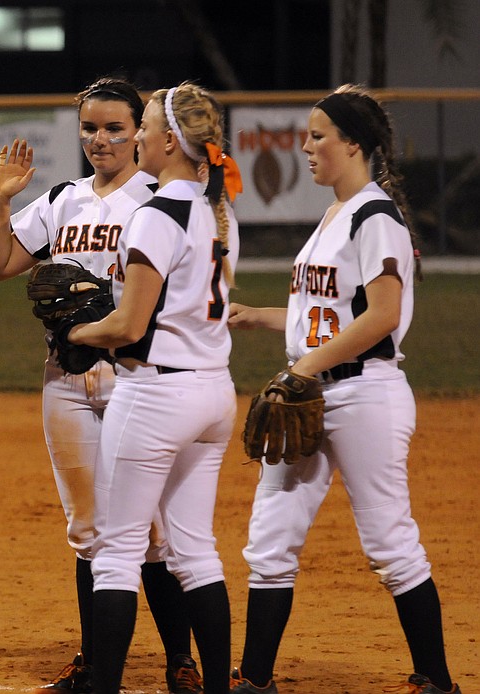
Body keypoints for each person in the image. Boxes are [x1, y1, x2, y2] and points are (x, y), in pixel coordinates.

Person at [227, 84, 461, 694]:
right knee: (269, 540)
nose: (306, 146)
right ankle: (255, 679)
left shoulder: (375, 217)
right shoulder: (335, 214)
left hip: (364, 396)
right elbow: (327, 313)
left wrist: (303, 368)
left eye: (317, 135)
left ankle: (436, 679)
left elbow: (381, 316)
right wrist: (260, 316)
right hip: (313, 390)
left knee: (389, 542)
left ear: (353, 143)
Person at [0, 77, 202, 694]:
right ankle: (94, 665)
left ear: (141, 132)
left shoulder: (161, 198)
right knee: (88, 529)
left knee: (155, 530)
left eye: (113, 127)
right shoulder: (63, 199)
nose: (100, 139)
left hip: (139, 375)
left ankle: (181, 664)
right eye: (89, 128)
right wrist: (0, 201)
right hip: (66, 380)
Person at [64, 81, 241, 694]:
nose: (134, 136)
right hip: (213, 393)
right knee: (195, 550)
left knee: (116, 553)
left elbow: (129, 324)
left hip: (156, 394)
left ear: (170, 141)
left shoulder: (156, 214)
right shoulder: (219, 212)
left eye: (141, 127)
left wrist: (80, 333)